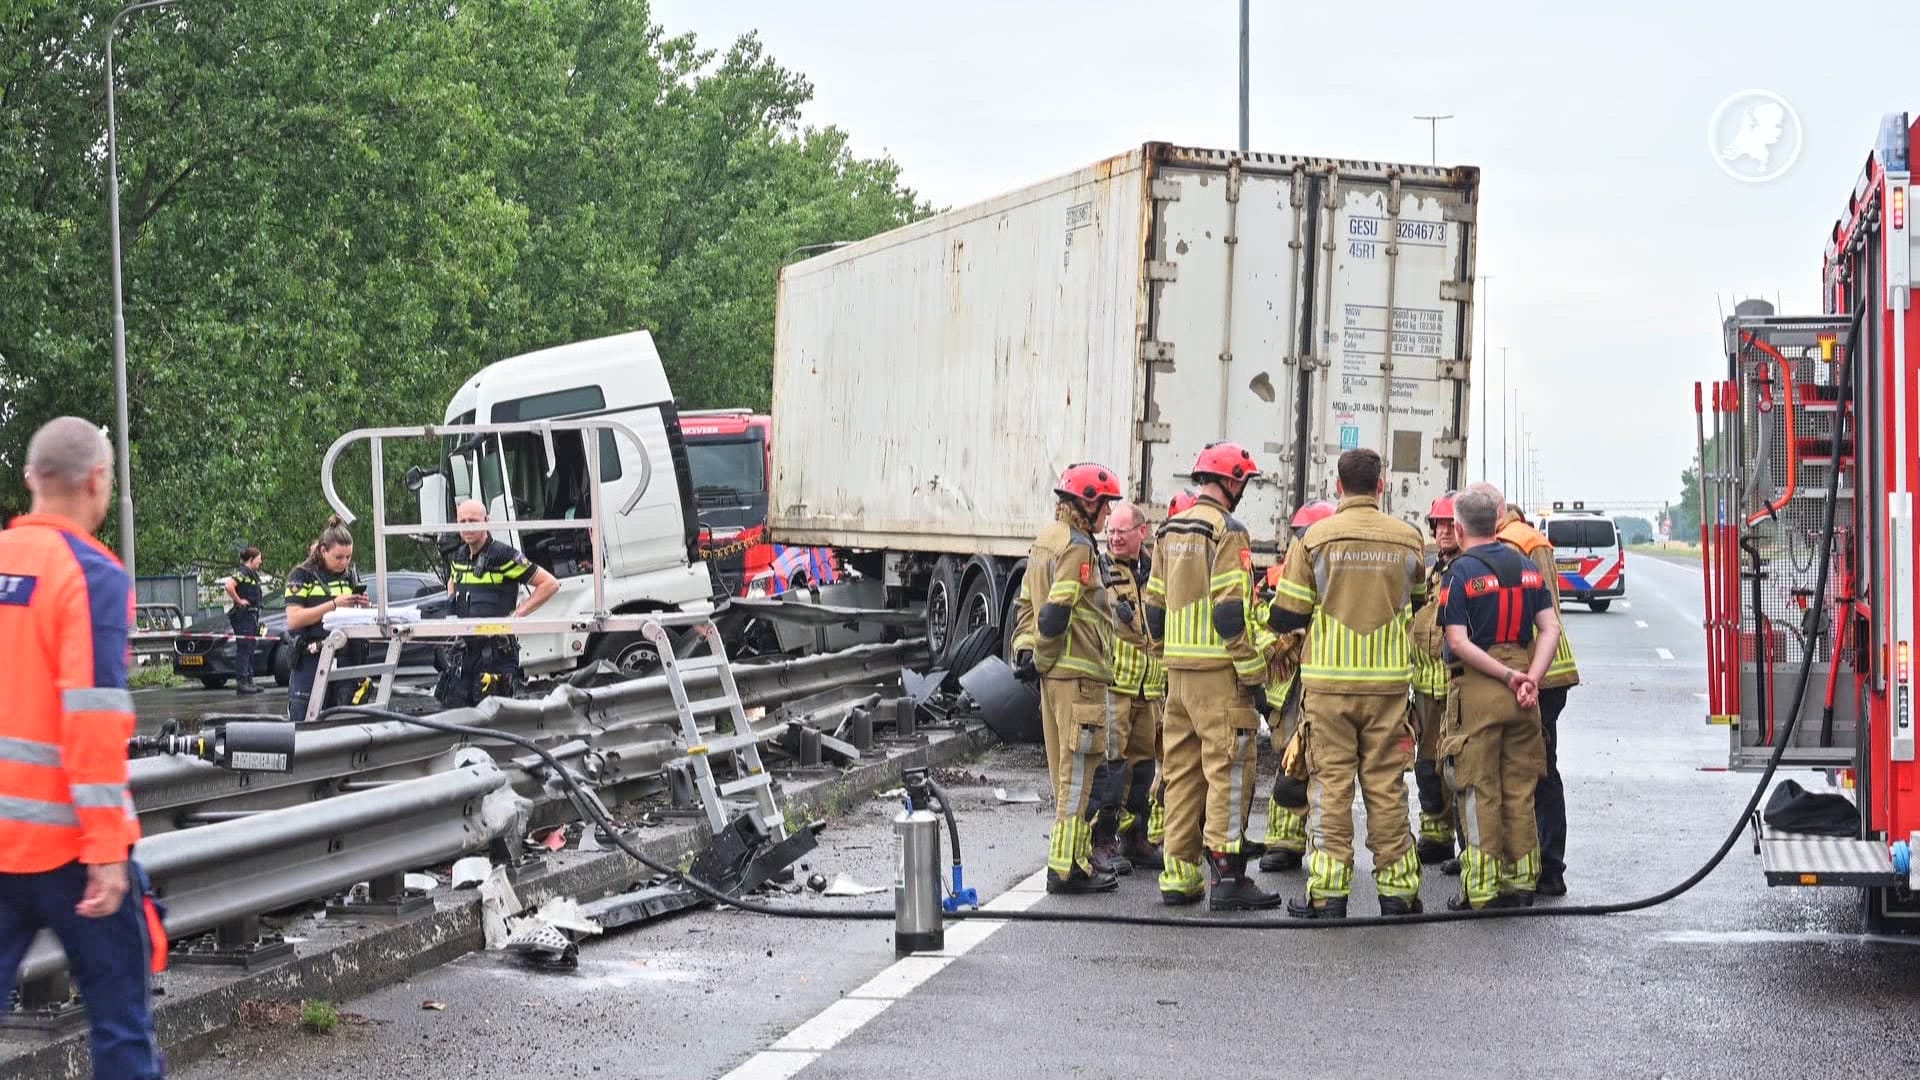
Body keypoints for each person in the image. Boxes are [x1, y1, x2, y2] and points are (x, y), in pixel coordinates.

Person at [0, 417, 164, 1078]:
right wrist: (105, 852)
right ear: (98, 482)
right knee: (120, 1027)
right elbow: (93, 719)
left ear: (31, 479)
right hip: (70, 849)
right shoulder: (91, 572)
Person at [1269, 449, 1428, 919]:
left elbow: (1287, 615)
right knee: (1387, 787)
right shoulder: (1409, 539)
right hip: (1388, 687)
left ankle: (1328, 894)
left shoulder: (1316, 538)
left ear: (1338, 486)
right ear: (1381, 485)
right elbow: (1418, 605)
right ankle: (1398, 894)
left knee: (1330, 788)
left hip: (1329, 687)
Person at [1145, 443, 1278, 910]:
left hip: (1178, 677)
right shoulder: (1227, 530)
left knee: (1181, 775)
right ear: (1232, 482)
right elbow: (1229, 614)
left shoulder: (1168, 530)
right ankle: (1227, 876)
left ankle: (1179, 876)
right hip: (1220, 676)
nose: (1244, 490)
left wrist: (1168, 658)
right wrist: (1253, 673)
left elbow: (1154, 610)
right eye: (1244, 482)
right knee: (1228, 773)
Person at [1434, 488, 1560, 910]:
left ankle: (1482, 889)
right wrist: (1531, 679)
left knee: (1478, 786)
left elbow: (1457, 639)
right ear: (1496, 521)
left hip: (1481, 688)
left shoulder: (1459, 572)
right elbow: (1551, 629)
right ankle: (1521, 883)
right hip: (1525, 692)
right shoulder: (1526, 566)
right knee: (1520, 789)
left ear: (1458, 526)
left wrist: (1507, 676)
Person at [1011, 463, 1122, 894]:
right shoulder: (1078, 547)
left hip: (1055, 679)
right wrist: (1043, 655)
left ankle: (1067, 861)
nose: (1108, 515)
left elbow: (1027, 604)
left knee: (1063, 772)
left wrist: (1026, 648)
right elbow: (1057, 611)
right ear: (1086, 504)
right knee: (1078, 774)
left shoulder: (1045, 541)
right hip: (1078, 676)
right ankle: (1067, 868)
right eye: (1105, 506)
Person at [1485, 491, 1580, 897]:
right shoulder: (1523, 537)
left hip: (1535, 672)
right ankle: (1539, 864)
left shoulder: (1513, 544)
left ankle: (1547, 867)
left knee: (1535, 771)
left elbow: (1522, 612)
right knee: (1537, 768)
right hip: (1543, 670)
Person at [1252, 500, 1330, 873]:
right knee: (1288, 759)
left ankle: (1319, 842)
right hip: (1289, 685)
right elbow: (1263, 621)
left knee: (1324, 763)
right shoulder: (1278, 576)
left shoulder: (1338, 577)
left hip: (1324, 680)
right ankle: (1284, 842)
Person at [1090, 501, 1166, 871]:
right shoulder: (1102, 571)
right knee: (1113, 767)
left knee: (1143, 769)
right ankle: (1104, 840)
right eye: (1111, 532)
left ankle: (1137, 838)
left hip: (1148, 689)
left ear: (1142, 531)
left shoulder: (1156, 572)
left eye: (1122, 531)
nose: (1115, 538)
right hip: (1116, 686)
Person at [435, 500, 561, 708]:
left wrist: (515, 617)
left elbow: (549, 584)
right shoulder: (459, 555)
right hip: (465, 653)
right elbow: (453, 580)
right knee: (453, 713)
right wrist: (451, 614)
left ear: (486, 522)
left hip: (495, 655)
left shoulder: (504, 555)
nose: (467, 526)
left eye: (473, 521)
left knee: (494, 721)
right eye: (462, 521)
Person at [1409, 493, 1461, 865]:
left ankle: (1466, 845)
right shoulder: (1434, 570)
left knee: (1456, 768)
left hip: (1456, 687)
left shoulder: (1470, 570)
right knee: (1427, 767)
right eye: (1438, 524)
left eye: (1449, 524)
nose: (1443, 531)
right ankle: (1435, 835)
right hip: (1427, 688)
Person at [284, 516, 372, 723]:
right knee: (304, 720)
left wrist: (362, 606)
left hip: (344, 659)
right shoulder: (301, 576)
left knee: (345, 719)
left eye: (348, 557)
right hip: (311, 660)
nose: (344, 563)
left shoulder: (349, 576)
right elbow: (294, 619)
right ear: (323, 551)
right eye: (338, 557)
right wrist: (334, 604)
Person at [223, 546, 267, 696]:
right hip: (243, 616)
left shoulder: (252, 574)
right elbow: (229, 586)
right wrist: (239, 600)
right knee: (244, 648)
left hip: (252, 616)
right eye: (258, 560)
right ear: (251, 559)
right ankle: (242, 683)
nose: (260, 563)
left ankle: (249, 681)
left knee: (250, 648)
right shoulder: (242, 572)